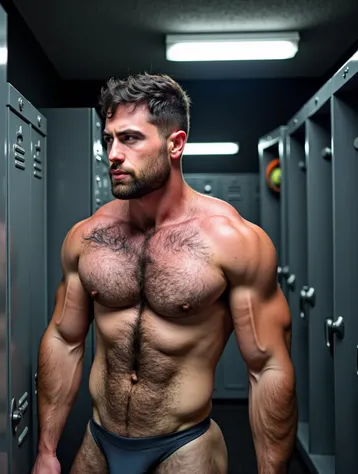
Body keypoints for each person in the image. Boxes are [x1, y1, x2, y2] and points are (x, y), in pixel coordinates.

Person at [31, 73, 298, 474]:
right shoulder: (87, 237)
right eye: (109, 139)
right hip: (99, 442)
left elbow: (268, 367)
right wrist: (47, 450)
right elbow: (64, 339)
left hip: (184, 445)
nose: (113, 154)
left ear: (175, 144)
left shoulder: (232, 240)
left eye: (130, 138)